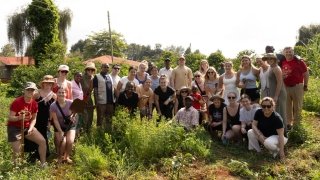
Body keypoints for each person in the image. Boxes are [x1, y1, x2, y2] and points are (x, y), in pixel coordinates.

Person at [7, 82, 47, 167]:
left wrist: (31, 128)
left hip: (27, 127)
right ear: (24, 91)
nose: (30, 91)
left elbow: (34, 118)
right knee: (17, 151)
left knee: (42, 142)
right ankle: (16, 169)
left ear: (35, 91)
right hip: (14, 128)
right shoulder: (17, 102)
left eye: (32, 90)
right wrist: (19, 118)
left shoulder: (35, 104)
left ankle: (43, 163)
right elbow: (10, 118)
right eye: (28, 90)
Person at [25, 75, 56, 160]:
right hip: (35, 118)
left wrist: (50, 121)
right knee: (33, 136)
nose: (48, 84)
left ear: (52, 84)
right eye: (46, 83)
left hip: (46, 119)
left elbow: (53, 111)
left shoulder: (54, 96)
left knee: (44, 136)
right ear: (43, 83)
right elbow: (28, 103)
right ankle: (33, 155)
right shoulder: (37, 93)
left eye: (50, 83)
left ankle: (43, 155)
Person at [281, 47, 309, 129]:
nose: (288, 53)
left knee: (298, 106)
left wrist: (305, 85)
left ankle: (297, 125)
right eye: (286, 52)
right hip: (286, 87)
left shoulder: (299, 62)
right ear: (284, 53)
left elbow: (306, 74)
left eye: (290, 52)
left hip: (297, 86)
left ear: (293, 52)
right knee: (287, 106)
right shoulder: (282, 62)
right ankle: (288, 124)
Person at [50, 87, 77, 164]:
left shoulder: (70, 102)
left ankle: (66, 157)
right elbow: (55, 120)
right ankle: (59, 157)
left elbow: (75, 113)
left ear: (66, 94)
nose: (61, 94)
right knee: (62, 141)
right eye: (59, 92)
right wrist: (60, 131)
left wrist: (72, 117)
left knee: (70, 141)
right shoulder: (53, 106)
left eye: (63, 92)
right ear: (57, 94)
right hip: (59, 125)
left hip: (70, 125)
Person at [263, 53, 287, 131]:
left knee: (281, 112)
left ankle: (284, 133)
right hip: (273, 92)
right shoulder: (270, 67)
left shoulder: (276, 68)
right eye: (268, 59)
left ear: (275, 59)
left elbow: (280, 82)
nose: (269, 60)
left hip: (279, 93)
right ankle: (276, 131)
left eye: (271, 59)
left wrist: (276, 96)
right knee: (275, 112)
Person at [93, 63, 116, 130]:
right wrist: (96, 102)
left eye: (107, 67)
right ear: (101, 68)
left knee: (109, 118)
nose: (106, 68)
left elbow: (112, 89)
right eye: (105, 67)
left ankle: (108, 131)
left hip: (110, 102)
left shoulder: (110, 76)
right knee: (100, 118)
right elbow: (95, 90)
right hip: (101, 102)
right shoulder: (97, 76)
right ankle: (99, 132)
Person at [81, 62, 95, 132]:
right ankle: (82, 131)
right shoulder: (82, 78)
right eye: (88, 70)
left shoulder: (93, 78)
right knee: (84, 116)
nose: (90, 71)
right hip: (82, 99)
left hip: (90, 99)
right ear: (86, 70)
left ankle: (88, 131)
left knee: (90, 116)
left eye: (92, 70)